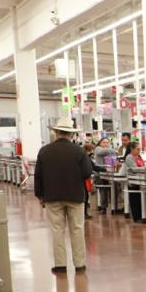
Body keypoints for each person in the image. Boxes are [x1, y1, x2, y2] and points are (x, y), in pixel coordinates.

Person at [34, 117, 92, 274]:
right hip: (75, 196)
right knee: (77, 229)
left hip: (52, 196)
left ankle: (60, 265)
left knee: (57, 230)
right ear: (71, 134)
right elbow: (87, 172)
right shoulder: (79, 151)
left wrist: (40, 195)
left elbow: (38, 175)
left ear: (56, 132)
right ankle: (79, 264)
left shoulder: (44, 151)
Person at [122, 140, 146, 223]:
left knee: (139, 199)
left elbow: (141, 166)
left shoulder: (139, 157)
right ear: (132, 149)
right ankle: (136, 217)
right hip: (133, 181)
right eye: (137, 149)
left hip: (139, 179)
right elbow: (134, 169)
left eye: (140, 149)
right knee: (135, 199)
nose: (139, 151)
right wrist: (145, 168)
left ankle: (141, 216)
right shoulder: (129, 157)